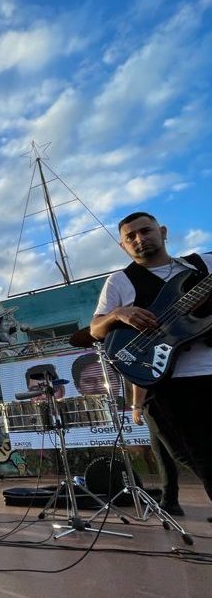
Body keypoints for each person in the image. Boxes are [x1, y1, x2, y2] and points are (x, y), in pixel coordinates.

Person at [90, 211, 212, 518]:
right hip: (170, 380)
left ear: (163, 231)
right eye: (130, 237)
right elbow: (95, 329)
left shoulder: (202, 264)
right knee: (199, 455)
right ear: (122, 246)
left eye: (145, 231)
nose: (139, 239)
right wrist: (119, 314)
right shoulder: (119, 281)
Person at [132, 385, 183, 515]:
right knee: (161, 454)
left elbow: (139, 378)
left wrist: (136, 406)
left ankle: (170, 501)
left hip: (155, 403)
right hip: (151, 404)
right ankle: (169, 501)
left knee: (182, 455)